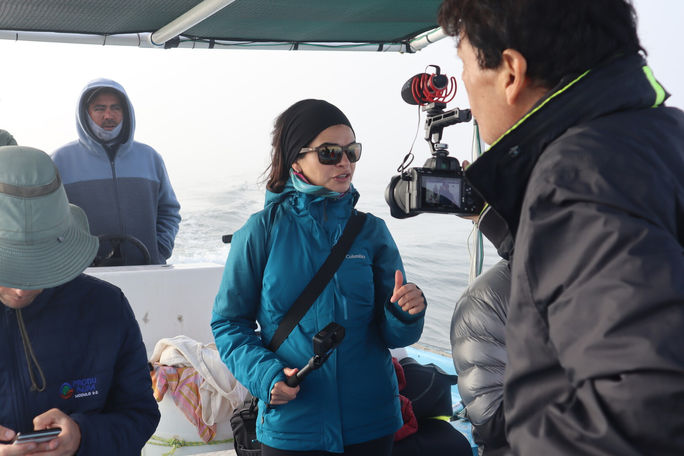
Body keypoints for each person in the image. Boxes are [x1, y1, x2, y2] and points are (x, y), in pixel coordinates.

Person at [438, 1, 684, 455]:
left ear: (510, 72)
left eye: (465, 65)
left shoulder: (576, 176)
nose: (466, 85)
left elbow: (635, 413)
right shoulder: (664, 137)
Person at [211, 99, 426, 456]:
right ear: (295, 160)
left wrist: (405, 313)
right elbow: (229, 323)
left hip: (371, 422)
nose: (345, 162)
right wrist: (265, 376)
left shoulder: (372, 232)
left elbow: (394, 335)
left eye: (352, 151)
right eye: (329, 153)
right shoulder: (260, 232)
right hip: (293, 425)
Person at [0, 146, 160, 454]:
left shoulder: (107, 306)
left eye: (39, 265)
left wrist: (83, 437)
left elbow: (140, 414)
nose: (21, 289)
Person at [52, 78, 181, 266]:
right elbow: (48, 222)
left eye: (116, 108)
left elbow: (169, 212)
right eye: (99, 108)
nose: (108, 115)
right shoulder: (59, 161)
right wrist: (69, 260)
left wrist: (160, 248)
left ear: (126, 112)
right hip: (83, 275)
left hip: (147, 271)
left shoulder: (150, 158)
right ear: (85, 113)